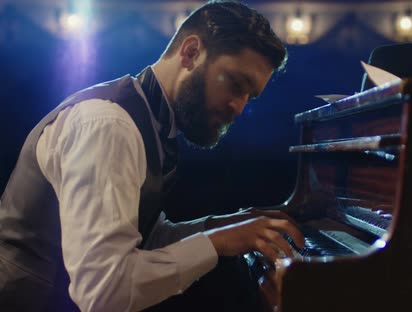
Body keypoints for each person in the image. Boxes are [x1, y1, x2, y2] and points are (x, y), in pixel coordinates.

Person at [0, 1, 304, 311]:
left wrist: (224, 226)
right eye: (236, 84)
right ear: (190, 52)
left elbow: (146, 238)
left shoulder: (152, 120)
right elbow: (103, 293)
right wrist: (218, 242)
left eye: (249, 96)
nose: (239, 107)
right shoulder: (109, 126)